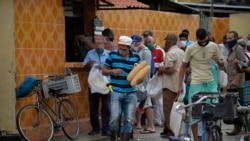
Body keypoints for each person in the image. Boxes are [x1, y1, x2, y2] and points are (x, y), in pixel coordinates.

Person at [178, 28, 224, 141]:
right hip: (196, 83)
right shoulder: (191, 48)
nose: (203, 43)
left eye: (205, 41)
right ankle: (195, 139)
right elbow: (183, 66)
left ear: (207, 37)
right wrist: (179, 85)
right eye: (201, 41)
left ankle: (211, 137)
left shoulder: (213, 46)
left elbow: (222, 66)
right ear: (197, 38)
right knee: (194, 113)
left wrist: (218, 61)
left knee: (212, 112)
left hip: (210, 83)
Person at [102, 36, 141, 141]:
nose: (122, 51)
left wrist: (139, 80)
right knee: (114, 117)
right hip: (116, 91)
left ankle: (125, 138)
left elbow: (139, 75)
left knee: (129, 119)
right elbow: (104, 71)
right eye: (120, 48)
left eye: (124, 49)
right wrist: (113, 71)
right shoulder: (112, 55)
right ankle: (113, 138)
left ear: (129, 48)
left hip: (131, 92)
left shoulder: (136, 57)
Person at [82, 35, 111, 136]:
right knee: (93, 107)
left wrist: (104, 68)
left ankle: (106, 129)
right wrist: (88, 64)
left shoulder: (109, 54)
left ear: (103, 42)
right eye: (96, 42)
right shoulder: (90, 53)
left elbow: (113, 68)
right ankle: (95, 128)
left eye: (100, 42)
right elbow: (84, 68)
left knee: (107, 107)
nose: (98, 44)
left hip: (108, 83)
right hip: (93, 84)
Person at [157, 33, 185, 138]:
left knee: (168, 109)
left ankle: (169, 131)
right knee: (176, 109)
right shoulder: (182, 52)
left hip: (170, 85)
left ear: (168, 41)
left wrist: (161, 69)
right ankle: (169, 129)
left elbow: (170, 69)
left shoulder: (170, 53)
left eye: (166, 41)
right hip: (180, 84)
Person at [130, 34, 155, 133]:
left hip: (143, 83)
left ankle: (151, 126)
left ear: (136, 42)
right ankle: (140, 123)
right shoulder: (138, 52)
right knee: (142, 104)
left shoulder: (145, 52)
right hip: (138, 82)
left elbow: (147, 68)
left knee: (147, 104)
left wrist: (142, 82)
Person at [223, 31, 245, 136]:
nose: (228, 40)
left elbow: (243, 65)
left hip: (238, 84)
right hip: (230, 82)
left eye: (230, 38)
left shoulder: (239, 49)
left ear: (235, 39)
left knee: (240, 107)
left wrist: (237, 79)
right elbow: (229, 68)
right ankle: (237, 128)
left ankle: (242, 129)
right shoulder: (230, 50)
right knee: (233, 107)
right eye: (227, 38)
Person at [144, 35, 165, 127]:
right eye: (147, 42)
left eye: (150, 42)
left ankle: (163, 120)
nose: (148, 44)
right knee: (151, 100)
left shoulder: (159, 51)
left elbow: (163, 64)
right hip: (149, 78)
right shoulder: (146, 51)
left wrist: (158, 72)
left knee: (158, 100)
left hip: (158, 77)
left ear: (154, 42)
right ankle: (156, 120)